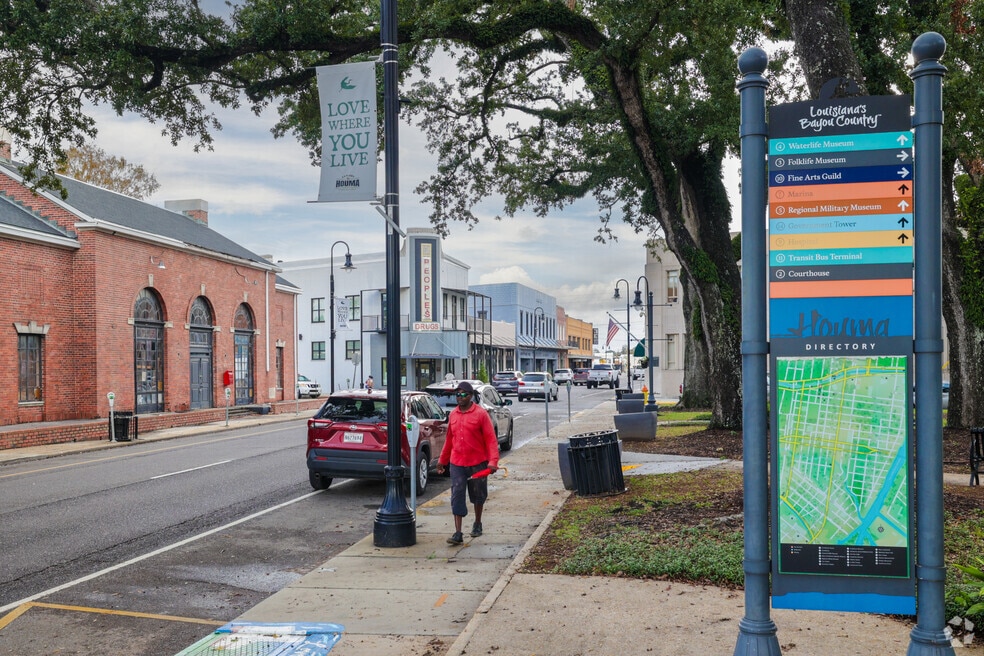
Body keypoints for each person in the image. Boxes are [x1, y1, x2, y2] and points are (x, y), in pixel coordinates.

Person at [437, 381, 499, 545]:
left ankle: (477, 522)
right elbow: (449, 440)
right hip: (457, 462)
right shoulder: (453, 415)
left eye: (464, 394)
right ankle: (458, 532)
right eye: (458, 394)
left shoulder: (480, 414)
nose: (460, 397)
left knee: (478, 494)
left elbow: (490, 440)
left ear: (470, 396)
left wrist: (493, 462)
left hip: (477, 462)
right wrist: (442, 461)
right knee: (457, 494)